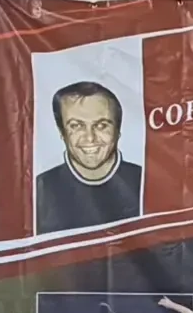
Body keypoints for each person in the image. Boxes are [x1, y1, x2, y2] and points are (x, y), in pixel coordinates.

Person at [35, 81, 144, 236]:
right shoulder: (37, 192)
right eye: (76, 126)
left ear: (118, 129)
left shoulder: (149, 184)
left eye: (101, 125)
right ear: (62, 131)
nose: (90, 138)